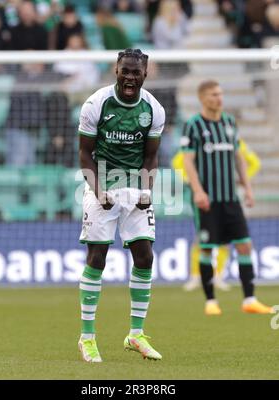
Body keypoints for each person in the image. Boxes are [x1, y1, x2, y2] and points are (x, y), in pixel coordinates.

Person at [78, 48, 165, 362]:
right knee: (97, 257)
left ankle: (136, 334)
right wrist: (98, 190)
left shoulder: (154, 109)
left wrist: (146, 190)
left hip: (134, 189)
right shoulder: (95, 104)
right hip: (101, 184)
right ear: (116, 70)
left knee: (145, 256)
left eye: (136, 72)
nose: (130, 77)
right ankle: (87, 338)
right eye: (125, 71)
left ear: (145, 73)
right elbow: (85, 154)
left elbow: (151, 157)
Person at [181, 80, 274, 316]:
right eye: (214, 94)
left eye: (220, 93)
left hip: (231, 198)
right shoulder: (193, 125)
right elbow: (188, 161)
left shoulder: (230, 123)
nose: (219, 98)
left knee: (244, 245)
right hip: (207, 199)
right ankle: (211, 301)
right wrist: (198, 191)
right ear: (203, 98)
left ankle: (249, 299)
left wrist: (248, 188)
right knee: (206, 248)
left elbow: (239, 158)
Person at [173, 138, 261, 292]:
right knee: (202, 236)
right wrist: (192, 182)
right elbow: (178, 162)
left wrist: (242, 179)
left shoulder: (234, 140)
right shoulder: (200, 139)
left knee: (225, 237)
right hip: (204, 195)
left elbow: (254, 163)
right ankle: (196, 276)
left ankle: (217, 276)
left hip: (227, 195)